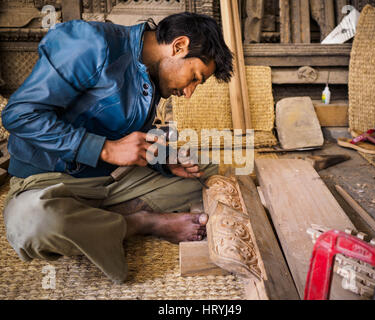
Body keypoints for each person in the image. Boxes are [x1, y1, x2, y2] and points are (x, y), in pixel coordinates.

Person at [1, 12, 233, 283]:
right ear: (179, 46)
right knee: (34, 225)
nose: (189, 91)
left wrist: (163, 159)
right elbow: (19, 115)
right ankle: (140, 222)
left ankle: (96, 220)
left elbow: (132, 134)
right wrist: (104, 149)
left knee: (209, 173)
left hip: (109, 181)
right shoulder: (89, 43)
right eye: (195, 77)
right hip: (46, 181)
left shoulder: (152, 73)